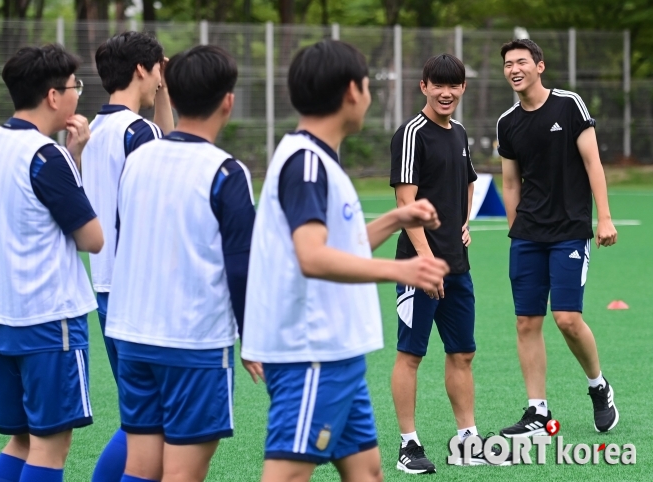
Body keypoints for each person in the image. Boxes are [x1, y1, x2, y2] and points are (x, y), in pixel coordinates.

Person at [241, 40, 449, 482]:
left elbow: (339, 246)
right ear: (352, 91)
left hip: (338, 354)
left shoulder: (317, 159)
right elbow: (312, 257)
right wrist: (402, 269)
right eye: (369, 85)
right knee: (288, 474)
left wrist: (395, 219)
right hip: (313, 353)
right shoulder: (307, 164)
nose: (370, 95)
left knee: (367, 472)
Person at [104, 45, 261, 482]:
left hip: (132, 335)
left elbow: (123, 236)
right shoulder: (226, 171)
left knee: (141, 468)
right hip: (193, 343)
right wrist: (254, 339)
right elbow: (241, 266)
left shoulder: (137, 160)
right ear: (227, 100)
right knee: (182, 473)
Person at [0, 44, 103, 482]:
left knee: (23, 440)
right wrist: (74, 158)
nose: (77, 95)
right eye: (74, 87)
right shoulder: (47, 156)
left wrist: (76, 156)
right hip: (50, 321)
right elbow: (93, 239)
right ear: (53, 95)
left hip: (0, 319)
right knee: (51, 447)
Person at [497, 39, 619, 437]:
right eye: (508, 64)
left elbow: (592, 162)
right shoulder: (507, 122)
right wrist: (515, 229)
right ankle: (537, 411)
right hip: (528, 234)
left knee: (567, 319)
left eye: (521, 62)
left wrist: (604, 218)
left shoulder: (569, 104)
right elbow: (511, 181)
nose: (514, 69)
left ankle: (598, 386)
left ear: (540, 66)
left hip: (569, 230)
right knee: (526, 322)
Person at [389, 53, 505, 472]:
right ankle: (408, 444)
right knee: (411, 355)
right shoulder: (411, 134)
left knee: (462, 353)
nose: (445, 92)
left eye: (453, 85)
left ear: (463, 89)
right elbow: (405, 201)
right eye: (437, 84)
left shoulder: (458, 132)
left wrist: (464, 223)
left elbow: (470, 182)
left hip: (458, 265)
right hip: (418, 268)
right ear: (423, 87)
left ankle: (468, 439)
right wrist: (426, 259)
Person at [81, 31, 174, 482]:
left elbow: (171, 149)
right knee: (151, 423)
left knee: (140, 419)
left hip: (106, 287)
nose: (161, 77)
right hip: (141, 294)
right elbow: (177, 166)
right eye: (159, 68)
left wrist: (165, 91)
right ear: (143, 69)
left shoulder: (96, 129)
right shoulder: (140, 133)